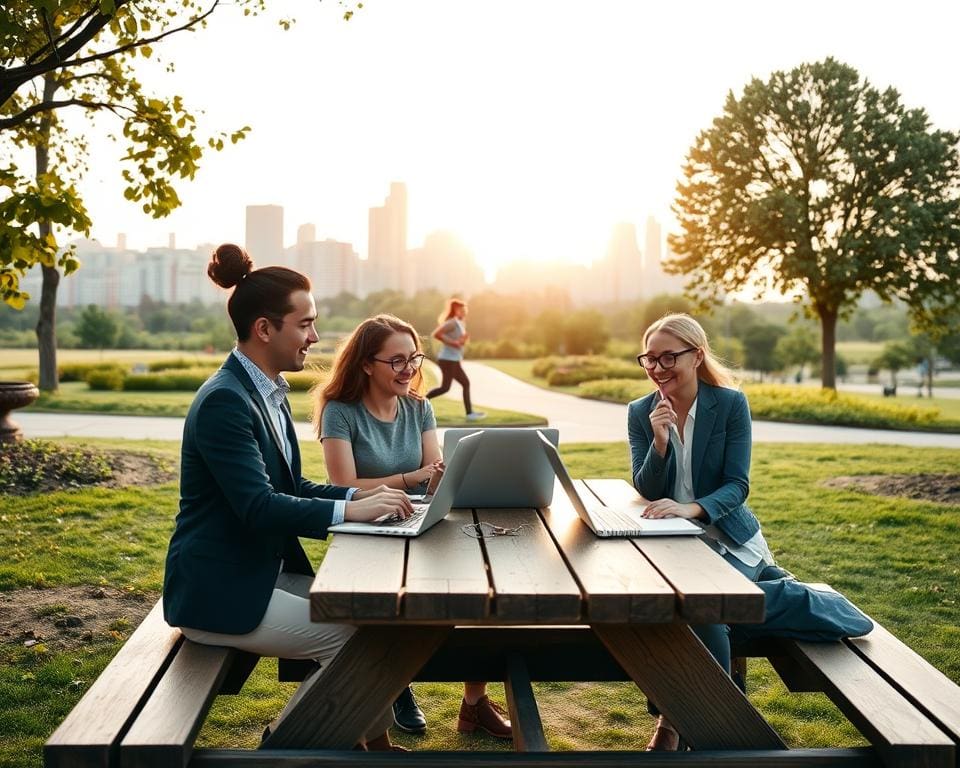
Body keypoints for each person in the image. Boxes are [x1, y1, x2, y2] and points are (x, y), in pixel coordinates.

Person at [162, 244, 415, 751]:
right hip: (218, 591)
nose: (315, 337)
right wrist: (350, 509)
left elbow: (291, 488)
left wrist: (370, 497)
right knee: (357, 642)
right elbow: (259, 506)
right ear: (264, 329)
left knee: (376, 620)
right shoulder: (225, 403)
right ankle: (284, 743)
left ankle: (373, 746)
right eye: (305, 325)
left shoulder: (265, 392)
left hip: (256, 573)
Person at [315, 313, 512, 740]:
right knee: (384, 608)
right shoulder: (340, 412)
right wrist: (412, 478)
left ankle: (474, 704)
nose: (410, 370)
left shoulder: (420, 407)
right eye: (397, 360)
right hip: (364, 529)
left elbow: (432, 475)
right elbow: (344, 486)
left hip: (419, 518)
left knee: (483, 591)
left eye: (415, 358)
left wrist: (449, 474)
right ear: (367, 364)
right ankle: (394, 688)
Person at [627, 313, 777, 752]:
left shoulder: (730, 405)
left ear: (697, 356)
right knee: (658, 604)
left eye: (668, 357)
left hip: (728, 538)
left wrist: (692, 508)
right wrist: (658, 442)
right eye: (649, 359)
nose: (657, 368)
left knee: (701, 605)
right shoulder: (641, 411)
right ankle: (697, 717)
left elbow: (738, 485)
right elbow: (646, 487)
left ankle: (680, 724)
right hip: (673, 541)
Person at [426, 298, 485, 421]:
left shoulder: (459, 323)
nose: (464, 311)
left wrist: (461, 341)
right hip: (447, 359)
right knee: (445, 387)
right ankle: (421, 401)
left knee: (465, 383)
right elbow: (436, 334)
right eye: (461, 309)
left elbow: (459, 342)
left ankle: (469, 414)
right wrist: (454, 343)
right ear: (455, 310)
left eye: (465, 309)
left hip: (453, 359)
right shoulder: (452, 322)